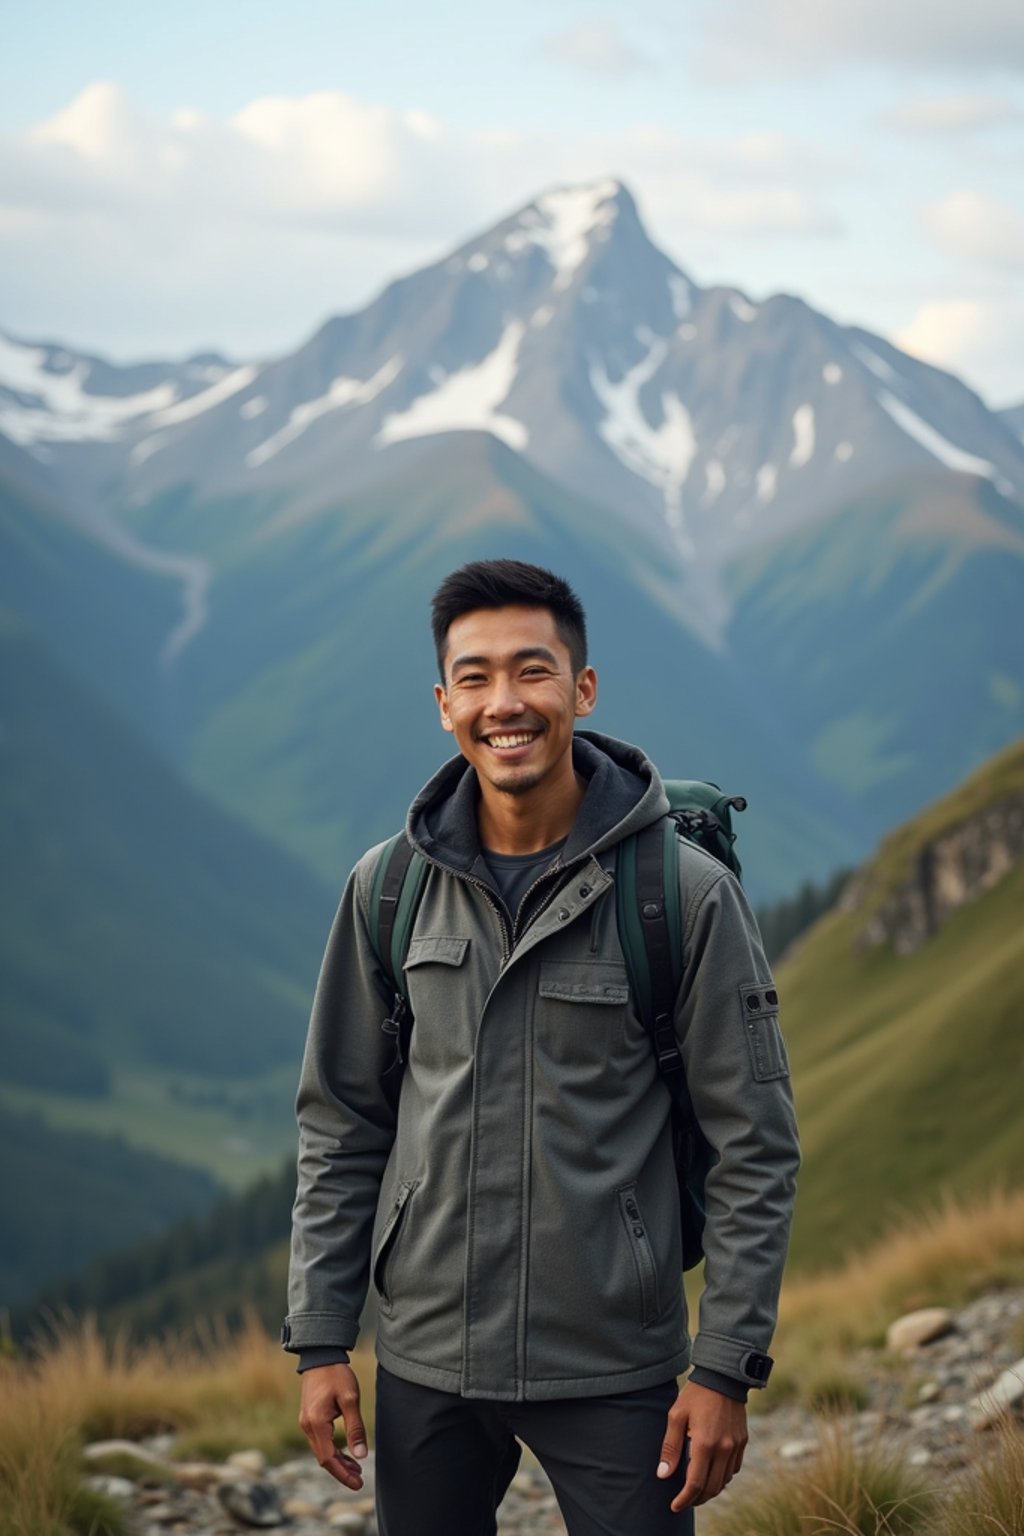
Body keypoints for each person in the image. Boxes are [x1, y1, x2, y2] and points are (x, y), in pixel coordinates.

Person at [284, 559, 800, 1535]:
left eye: (533, 670)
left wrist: (726, 1366)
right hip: (425, 1359)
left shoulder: (680, 896)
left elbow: (755, 1145)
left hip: (617, 1367)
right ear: (443, 704)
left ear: (582, 688)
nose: (504, 702)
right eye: (474, 678)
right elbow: (341, 1123)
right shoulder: (386, 890)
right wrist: (318, 1339)